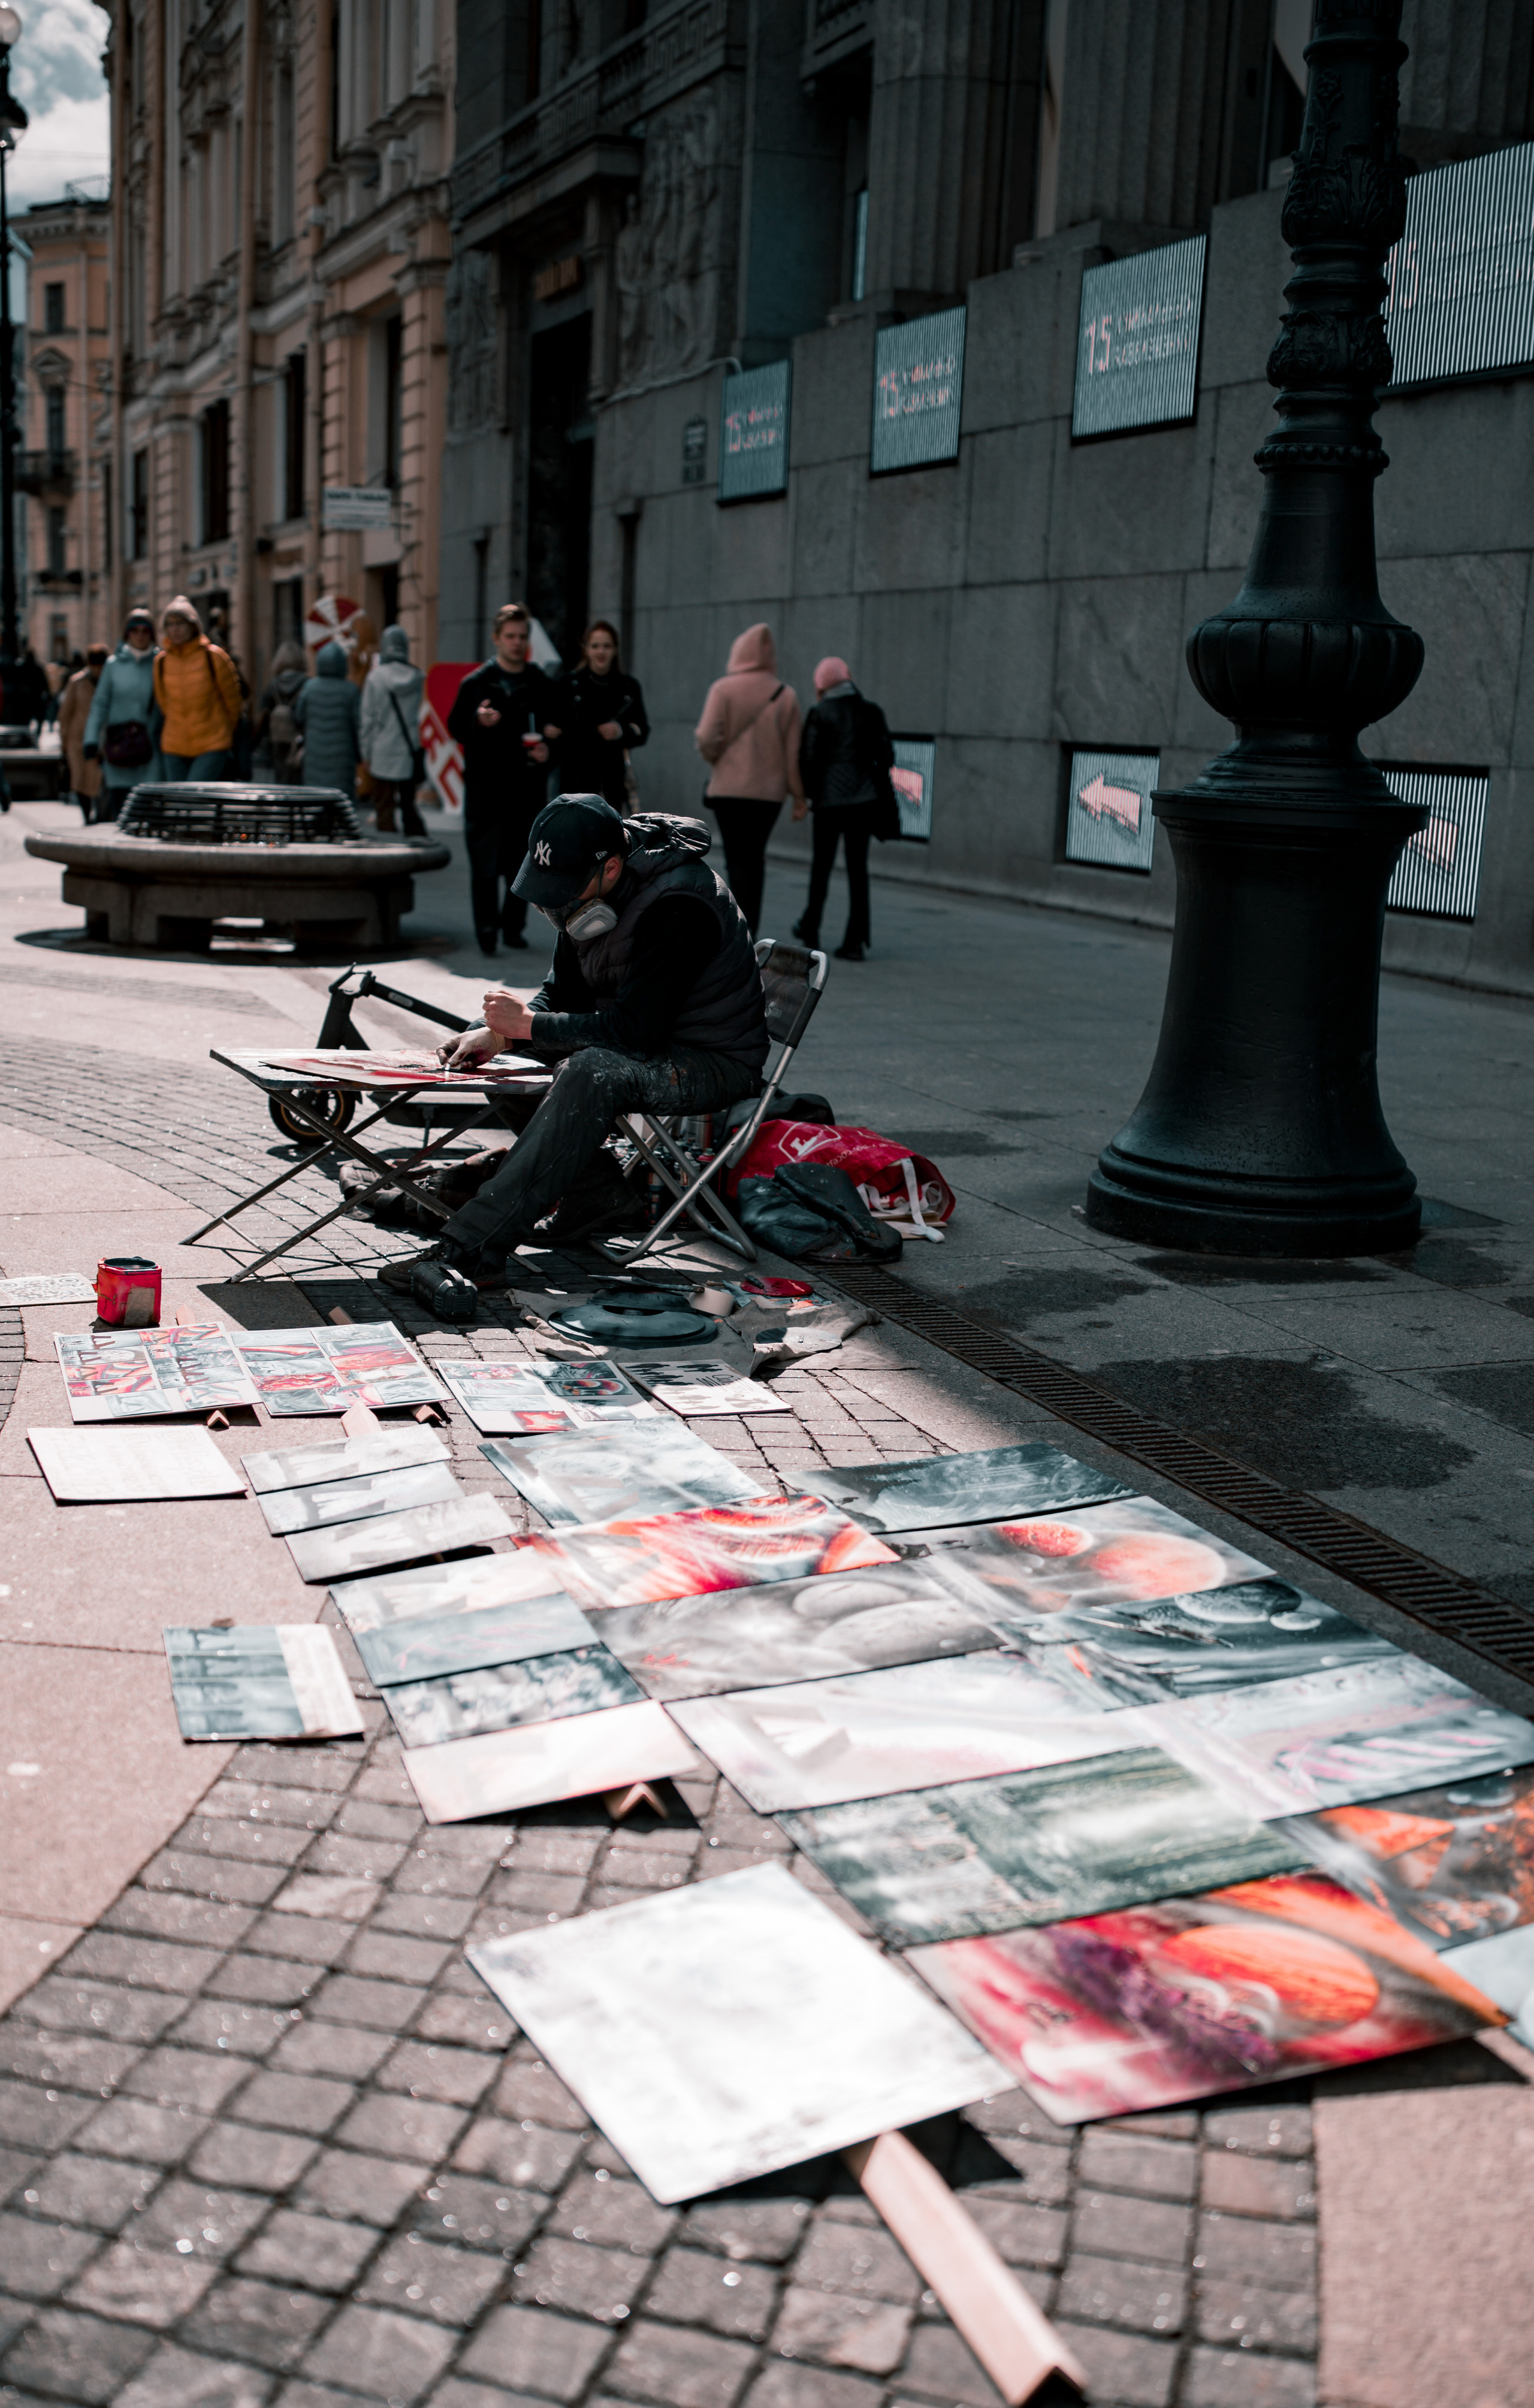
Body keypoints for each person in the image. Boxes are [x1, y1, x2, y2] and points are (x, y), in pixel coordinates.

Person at [375, 794, 769, 1321]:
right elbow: (561, 996)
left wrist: (528, 1027)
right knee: (498, 1040)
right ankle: (598, 1195)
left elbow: (636, 1035)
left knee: (589, 1069)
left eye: (562, 895)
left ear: (610, 867)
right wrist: (500, 1036)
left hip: (709, 1059)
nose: (554, 909)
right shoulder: (591, 895)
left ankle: (475, 1248)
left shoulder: (680, 904)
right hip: (649, 1041)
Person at [448, 601, 557, 955]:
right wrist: (478, 721)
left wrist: (548, 752)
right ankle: (486, 933)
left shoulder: (539, 681)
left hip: (526, 789)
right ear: (497, 638)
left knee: (520, 864)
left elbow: (557, 730)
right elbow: (455, 728)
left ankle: (513, 928)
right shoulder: (477, 683)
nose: (516, 642)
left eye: (522, 636)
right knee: (483, 864)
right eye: (510, 636)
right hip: (485, 789)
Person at [693, 621, 802, 936]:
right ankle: (751, 926)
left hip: (728, 790)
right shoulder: (786, 695)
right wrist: (799, 796)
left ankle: (735, 927)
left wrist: (716, 758)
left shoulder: (723, 689)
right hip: (769, 796)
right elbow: (793, 753)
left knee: (735, 858)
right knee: (755, 859)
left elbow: (706, 737)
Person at [792, 655, 898, 962]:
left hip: (829, 803)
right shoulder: (871, 711)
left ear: (822, 684)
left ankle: (811, 930)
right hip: (864, 802)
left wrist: (813, 795)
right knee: (858, 870)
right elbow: (887, 756)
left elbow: (808, 760)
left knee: (821, 868)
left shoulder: (819, 712)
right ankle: (855, 942)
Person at [545, 618, 648, 813]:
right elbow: (550, 725)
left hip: (612, 782)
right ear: (586, 649)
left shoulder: (628, 687)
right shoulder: (567, 685)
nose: (601, 652)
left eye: (607, 646)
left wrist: (621, 731)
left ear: (615, 649)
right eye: (595, 646)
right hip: (574, 781)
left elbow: (642, 730)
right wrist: (552, 731)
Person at [152, 596, 243, 779]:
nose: (175, 629)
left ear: (193, 626)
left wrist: (223, 732)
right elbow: (164, 703)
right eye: (170, 624)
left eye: (180, 623)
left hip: (212, 743)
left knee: (197, 800)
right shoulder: (162, 661)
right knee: (178, 803)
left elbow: (233, 702)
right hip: (175, 744)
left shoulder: (214, 657)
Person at [82, 609, 160, 819]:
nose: (140, 635)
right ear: (127, 634)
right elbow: (100, 704)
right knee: (123, 811)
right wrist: (91, 739)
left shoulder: (161, 663)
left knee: (149, 807)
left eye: (146, 630)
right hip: (120, 747)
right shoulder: (113, 665)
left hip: (151, 748)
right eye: (135, 630)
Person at [360, 624, 427, 834]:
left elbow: (368, 719)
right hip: (407, 749)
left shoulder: (375, 678)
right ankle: (417, 842)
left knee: (384, 806)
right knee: (408, 803)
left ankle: (389, 850)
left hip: (381, 750)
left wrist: (366, 753)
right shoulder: (416, 677)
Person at [293, 640, 361, 797]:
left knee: (315, 799)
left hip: (314, 755)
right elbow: (357, 724)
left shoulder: (310, 687)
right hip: (343, 757)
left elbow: (299, 716)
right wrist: (359, 754)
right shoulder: (351, 690)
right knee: (340, 800)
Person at [58, 643, 108, 819]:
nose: (98, 670)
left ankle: (100, 815)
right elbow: (65, 713)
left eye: (101, 665)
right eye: (95, 665)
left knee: (97, 780)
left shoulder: (109, 682)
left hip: (101, 740)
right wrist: (64, 740)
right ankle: (87, 816)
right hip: (77, 740)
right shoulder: (77, 682)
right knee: (80, 780)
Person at [253, 640, 309, 782]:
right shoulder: (307, 684)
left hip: (278, 739)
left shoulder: (273, 685)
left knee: (281, 777)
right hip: (300, 740)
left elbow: (265, 715)